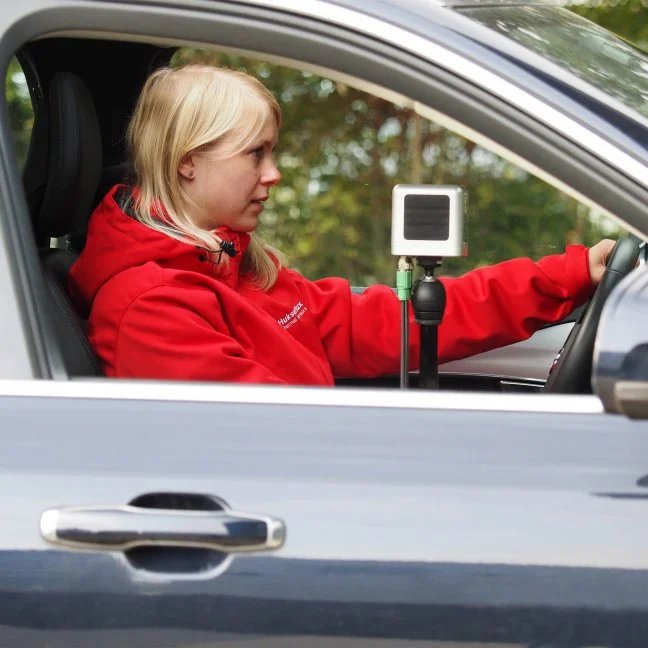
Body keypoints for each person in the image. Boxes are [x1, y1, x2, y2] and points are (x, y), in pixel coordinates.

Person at [68, 64, 615, 385]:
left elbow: (378, 321)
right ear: (188, 161)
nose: (274, 173)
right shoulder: (151, 308)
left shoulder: (236, 265)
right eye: (256, 154)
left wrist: (565, 277)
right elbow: (274, 439)